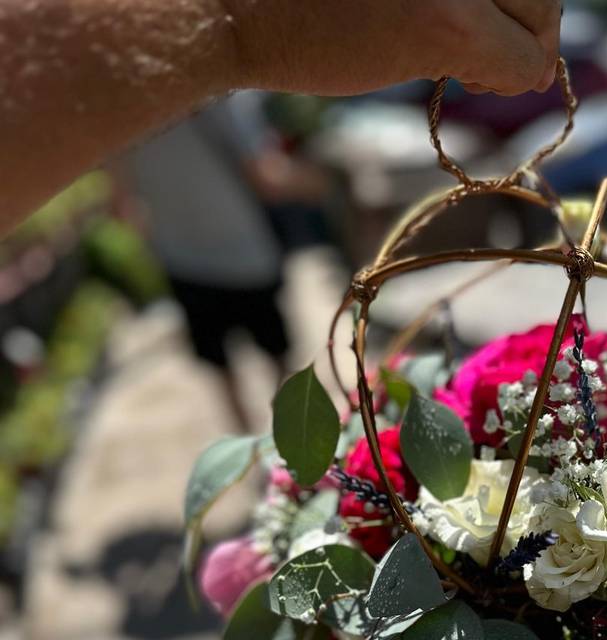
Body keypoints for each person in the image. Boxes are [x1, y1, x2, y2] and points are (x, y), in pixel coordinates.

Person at [0, 0, 562, 232]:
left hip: (192, 251)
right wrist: (240, 27)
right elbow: (264, 176)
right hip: (237, 249)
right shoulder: (222, 104)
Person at [126, 92, 291, 432]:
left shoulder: (119, 113)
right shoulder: (218, 96)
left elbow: (124, 205)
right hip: (246, 252)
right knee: (276, 353)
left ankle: (249, 450)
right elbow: (265, 177)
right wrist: (318, 182)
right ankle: (288, 439)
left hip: (181, 259)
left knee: (219, 365)